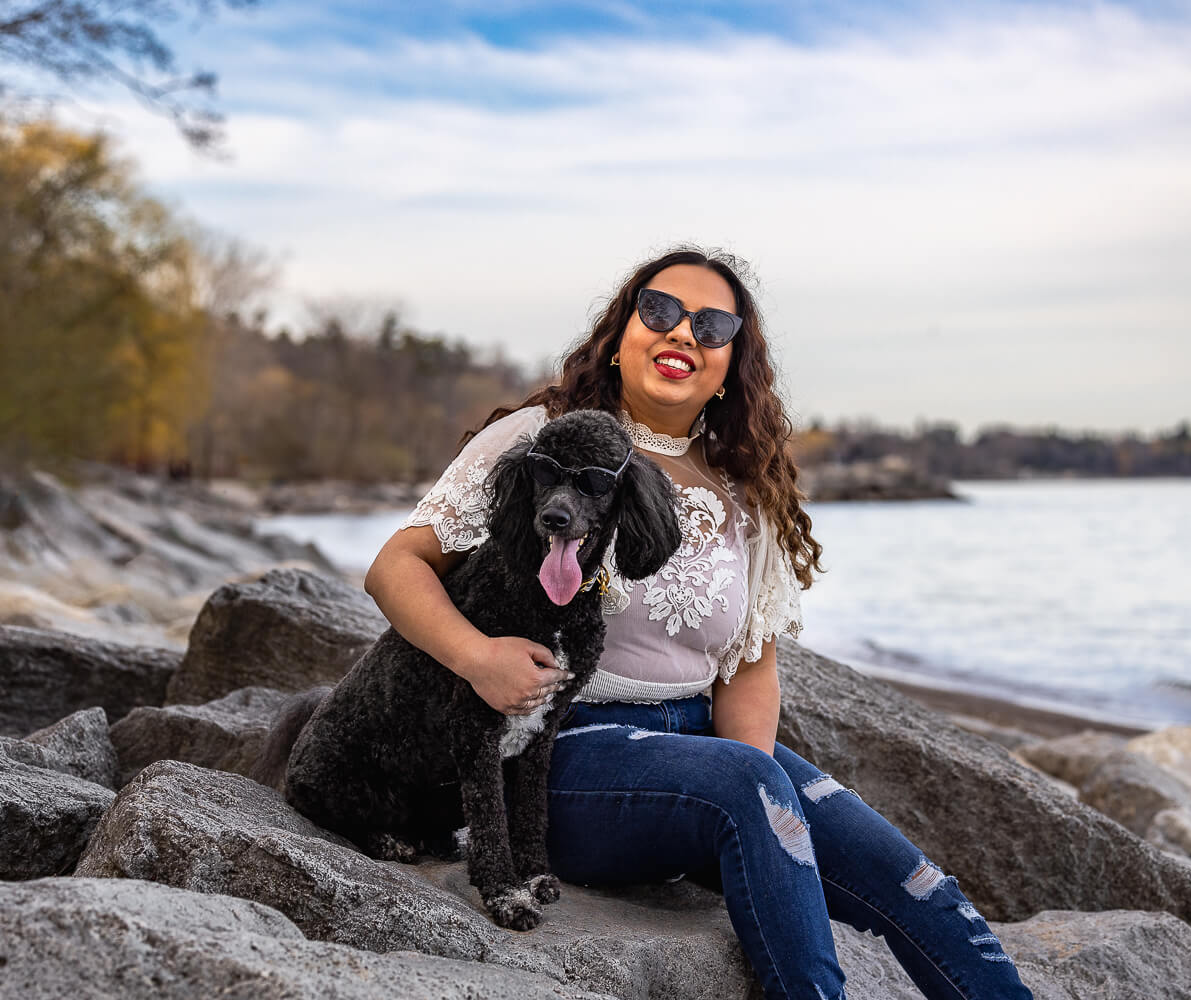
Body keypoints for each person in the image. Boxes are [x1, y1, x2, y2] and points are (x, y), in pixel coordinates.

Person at [364, 246, 1035, 1000]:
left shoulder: (744, 490)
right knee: (749, 785)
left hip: (702, 758)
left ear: (730, 363)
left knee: (916, 884)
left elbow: (750, 667)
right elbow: (396, 566)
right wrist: (476, 656)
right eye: (659, 312)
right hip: (560, 752)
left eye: (711, 326)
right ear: (620, 336)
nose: (682, 333)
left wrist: (753, 816)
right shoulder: (543, 442)